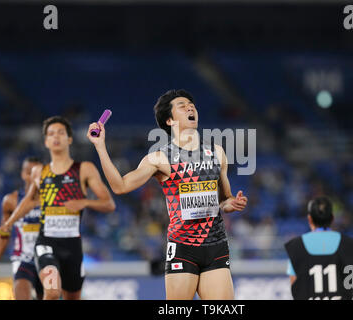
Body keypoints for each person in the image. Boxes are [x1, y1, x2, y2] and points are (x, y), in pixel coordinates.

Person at [87, 89, 248, 300]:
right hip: (183, 248)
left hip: (216, 245)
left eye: (191, 104)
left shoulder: (216, 152)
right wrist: (100, 147)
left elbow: (224, 201)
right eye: (182, 105)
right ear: (170, 120)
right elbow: (120, 187)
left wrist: (232, 204)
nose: (190, 107)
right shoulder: (159, 158)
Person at [0, 116, 116, 300]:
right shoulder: (40, 171)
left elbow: (109, 204)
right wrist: (9, 222)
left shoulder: (85, 169)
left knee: (72, 297)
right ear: (46, 142)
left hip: (72, 246)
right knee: (52, 291)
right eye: (51, 133)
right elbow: (28, 201)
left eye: (61, 132)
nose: (56, 137)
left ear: (69, 139)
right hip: (46, 243)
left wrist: (85, 202)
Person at [285, 196, 353, 300]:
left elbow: (295, 284)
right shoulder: (347, 244)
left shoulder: (296, 246)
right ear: (332, 218)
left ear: (309, 219)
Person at [0, 156, 43, 300]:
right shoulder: (11, 201)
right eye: (29, 172)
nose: (33, 176)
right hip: (23, 260)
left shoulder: (52, 200)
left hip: (47, 259)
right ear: (23, 174)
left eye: (37, 172)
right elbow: (4, 235)